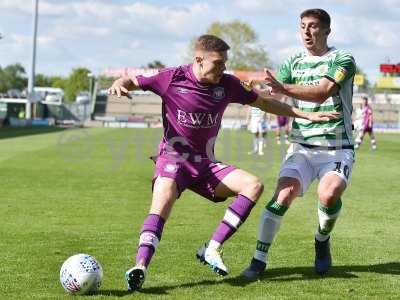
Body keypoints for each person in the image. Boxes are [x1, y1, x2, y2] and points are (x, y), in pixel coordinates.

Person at [108, 34, 339, 292]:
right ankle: (140, 266)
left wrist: (305, 114)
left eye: (225, 63)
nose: (223, 68)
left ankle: (212, 248)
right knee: (161, 205)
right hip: (173, 159)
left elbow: (263, 102)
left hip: (205, 164)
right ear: (199, 60)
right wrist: (120, 82)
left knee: (253, 185)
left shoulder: (227, 84)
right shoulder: (172, 77)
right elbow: (134, 80)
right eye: (218, 63)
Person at [242, 8, 356, 278]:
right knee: (282, 196)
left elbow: (322, 93)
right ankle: (258, 261)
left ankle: (322, 240)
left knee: (328, 195)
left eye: (313, 26)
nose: (307, 31)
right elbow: (274, 99)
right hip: (302, 147)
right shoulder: (291, 62)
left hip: (338, 147)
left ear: (327, 30)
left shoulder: (343, 59)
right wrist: (251, 94)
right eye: (302, 26)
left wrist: (283, 88)